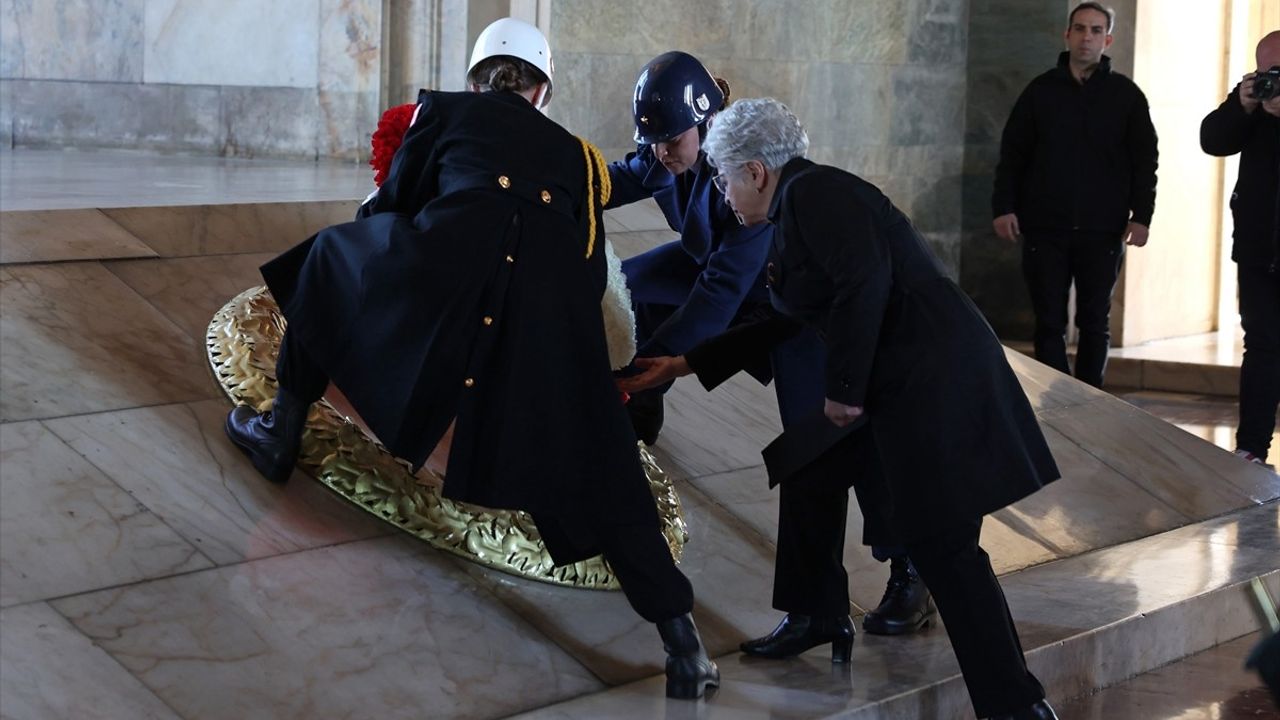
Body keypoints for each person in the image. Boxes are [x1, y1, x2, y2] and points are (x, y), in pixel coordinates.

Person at [222, 18, 718, 700]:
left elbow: (391, 205)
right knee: (605, 459)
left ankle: (280, 433)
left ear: (477, 78)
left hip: (447, 273)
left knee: (331, 259)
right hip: (549, 318)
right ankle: (682, 643)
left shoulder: (446, 110)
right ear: (542, 90)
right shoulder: (577, 155)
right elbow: (587, 268)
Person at [622, 97, 1061, 720]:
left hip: (932, 385)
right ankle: (819, 611)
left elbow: (865, 285)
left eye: (723, 179)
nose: (721, 195)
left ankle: (1016, 707)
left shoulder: (817, 194)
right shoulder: (798, 208)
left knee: (948, 552)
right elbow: (781, 319)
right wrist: (682, 365)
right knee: (809, 464)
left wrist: (844, 392)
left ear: (756, 171)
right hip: (904, 384)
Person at [608, 50, 935, 636]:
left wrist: (660, 361)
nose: (660, 153)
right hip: (753, 290)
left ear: (708, 127)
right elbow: (622, 179)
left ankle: (908, 567)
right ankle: (816, 608)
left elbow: (720, 295)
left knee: (836, 445)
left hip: (800, 315)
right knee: (622, 287)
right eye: (652, 140)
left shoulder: (774, 189)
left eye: (671, 139)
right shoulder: (674, 154)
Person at [992, 1, 1159, 389]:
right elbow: (1013, 154)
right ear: (1067, 35)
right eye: (1080, 28)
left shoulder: (1126, 96)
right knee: (1048, 319)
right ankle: (1057, 401)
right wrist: (1004, 207)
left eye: (1096, 30)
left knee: (1094, 321)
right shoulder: (1039, 92)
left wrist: (1143, 215)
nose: (1087, 37)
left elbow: (1145, 161)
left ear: (1108, 39)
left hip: (1103, 227)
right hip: (1044, 224)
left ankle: (1091, 398)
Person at [1200, 30, 1280, 470]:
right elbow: (1212, 140)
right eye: (1267, 71)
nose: (1273, 80)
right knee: (1262, 347)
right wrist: (1242, 105)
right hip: (1255, 249)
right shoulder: (1251, 98)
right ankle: (1251, 447)